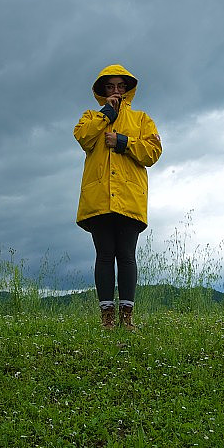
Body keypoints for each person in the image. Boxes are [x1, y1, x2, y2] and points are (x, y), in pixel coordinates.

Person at [74, 64, 163, 330]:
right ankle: (106, 319)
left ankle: (127, 318)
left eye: (121, 86)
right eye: (110, 86)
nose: (116, 91)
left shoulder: (141, 120)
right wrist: (105, 116)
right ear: (102, 91)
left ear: (128, 90)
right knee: (103, 255)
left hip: (130, 197)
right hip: (99, 198)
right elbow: (83, 139)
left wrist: (123, 142)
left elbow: (153, 152)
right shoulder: (91, 117)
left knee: (126, 256)